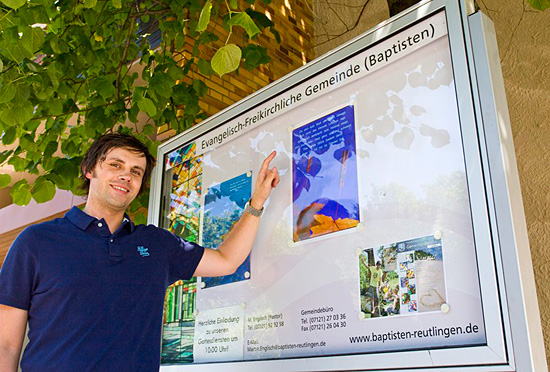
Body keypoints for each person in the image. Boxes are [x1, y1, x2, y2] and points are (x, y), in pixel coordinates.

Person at [0, 133, 280, 372]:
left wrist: (256, 202)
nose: (126, 175)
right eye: (115, 165)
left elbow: (227, 261)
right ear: (89, 170)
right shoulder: (36, 242)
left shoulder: (157, 245)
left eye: (136, 171)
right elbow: (6, 344)